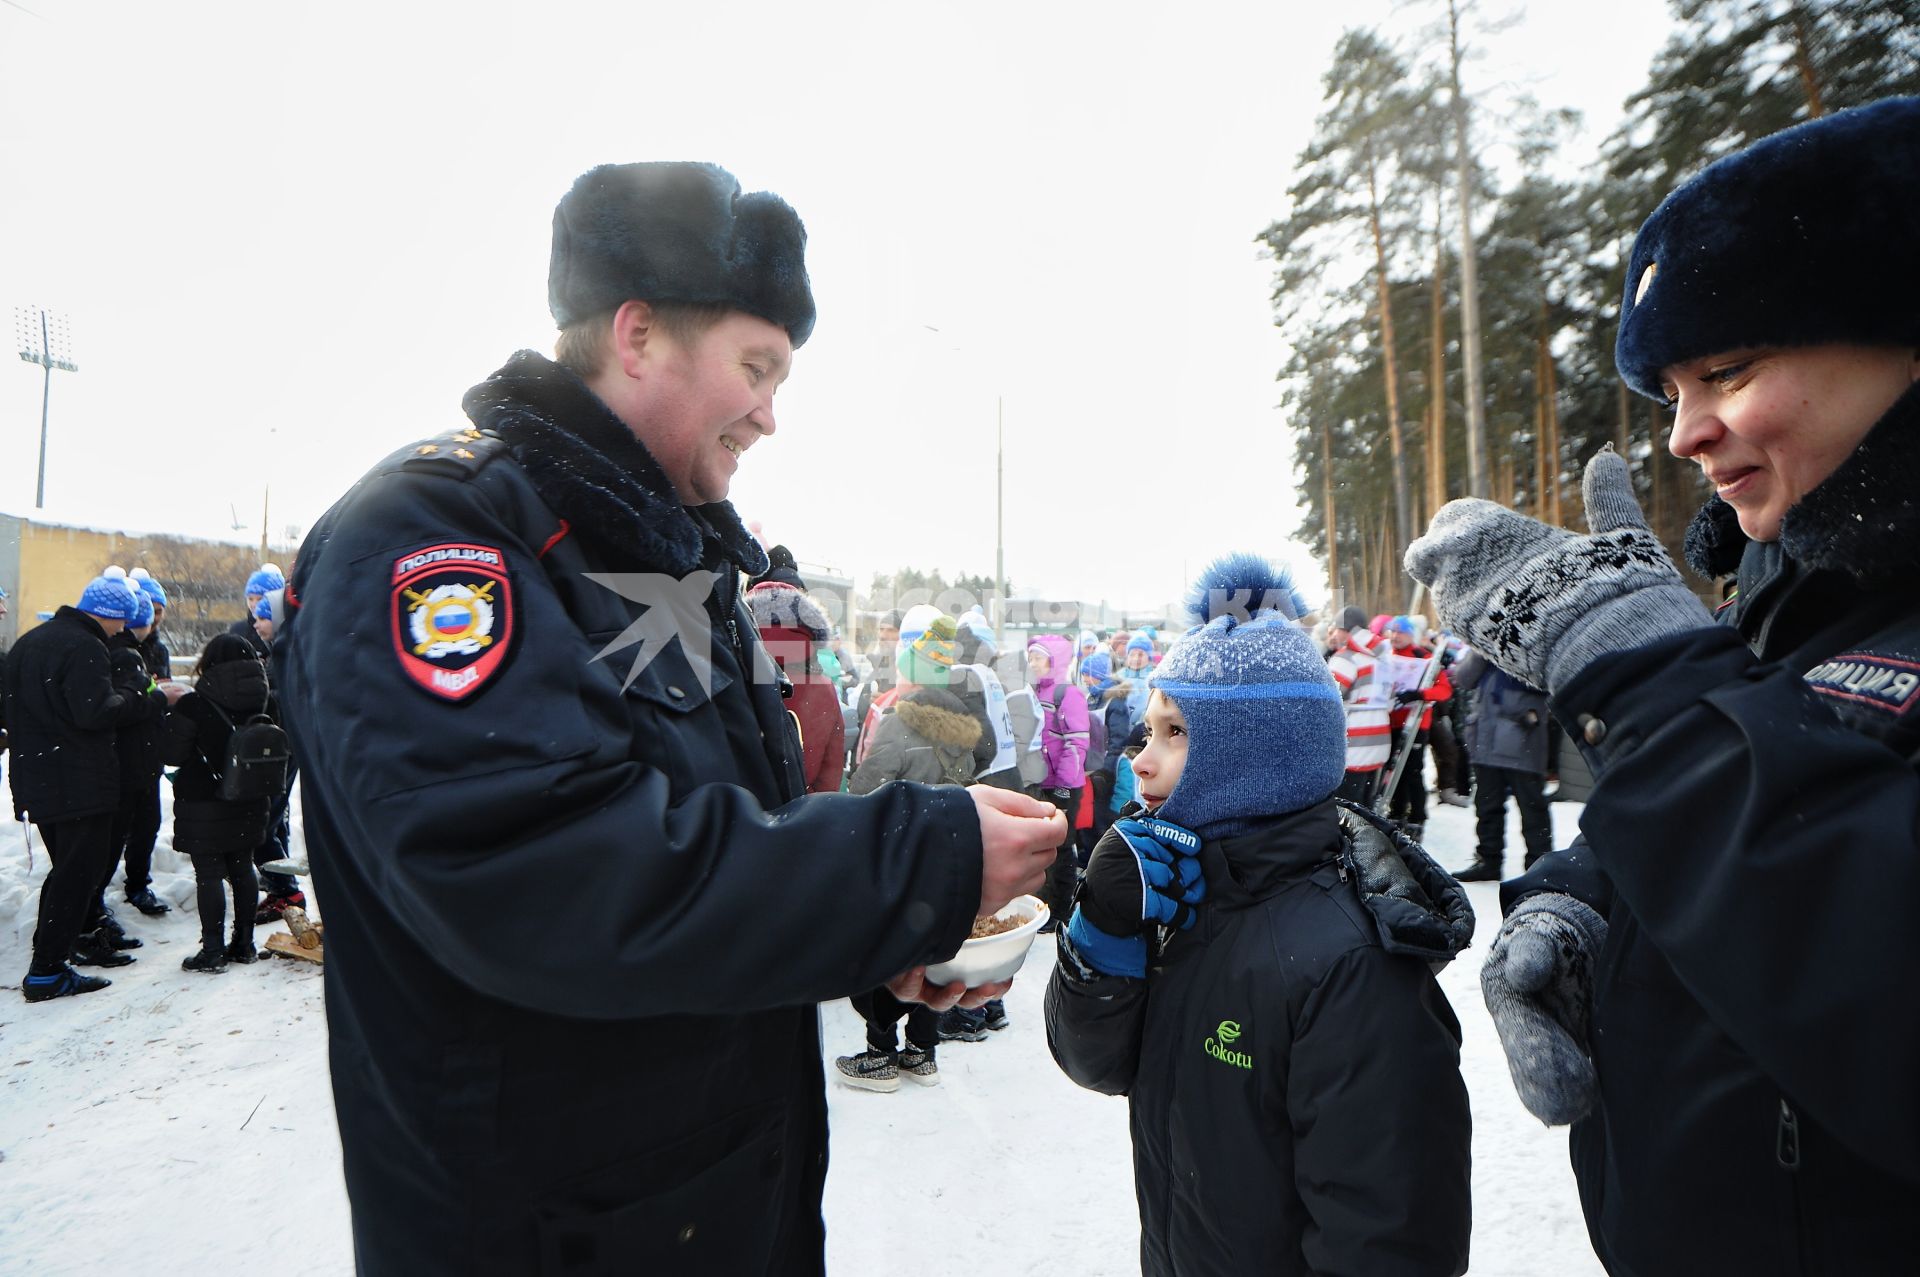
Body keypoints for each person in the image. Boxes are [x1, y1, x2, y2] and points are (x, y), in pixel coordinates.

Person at [271, 161, 1065, 1274]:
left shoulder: (670, 553)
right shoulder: (436, 535)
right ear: (638, 334)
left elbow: (725, 843)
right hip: (539, 1228)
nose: (772, 415)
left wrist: (877, 938)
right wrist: (912, 859)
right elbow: (538, 868)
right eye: (756, 367)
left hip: (712, 1206)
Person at [1406, 97, 1920, 1275]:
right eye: (1671, 392)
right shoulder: (1799, 595)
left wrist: (1641, 672)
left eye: (1726, 370)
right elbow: (1807, 801)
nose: (1686, 434)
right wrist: (1593, 901)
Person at [1045, 554, 1473, 1276]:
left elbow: (1390, 1242)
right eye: (1147, 731)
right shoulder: (1179, 896)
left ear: (1253, 755)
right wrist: (1105, 920)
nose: (1141, 761)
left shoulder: (1352, 965)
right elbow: (1096, 1062)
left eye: (1174, 732)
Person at [6, 569, 185, 1002]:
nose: (123, 629)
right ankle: (48, 969)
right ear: (110, 616)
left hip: (38, 777)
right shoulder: (86, 647)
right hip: (78, 784)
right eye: (122, 620)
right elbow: (96, 712)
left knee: (67, 870)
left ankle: (52, 956)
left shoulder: (30, 642)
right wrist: (156, 698)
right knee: (78, 874)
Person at [840, 617, 985, 1090]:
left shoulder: (900, 722)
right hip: (948, 861)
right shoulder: (964, 730)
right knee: (936, 954)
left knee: (881, 952)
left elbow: (866, 789)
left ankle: (880, 1053)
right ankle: (922, 1052)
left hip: (897, 858)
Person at [164, 634, 276, 972]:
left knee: (209, 873)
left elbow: (171, 753)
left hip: (203, 801)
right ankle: (244, 944)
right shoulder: (267, 702)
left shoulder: (194, 705)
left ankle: (212, 950)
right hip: (251, 798)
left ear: (208, 663)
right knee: (243, 869)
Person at [746, 546, 845, 795]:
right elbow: (831, 772)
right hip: (803, 818)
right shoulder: (823, 685)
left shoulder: (726, 670)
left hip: (738, 819)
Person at [1446, 649, 1551, 881]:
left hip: (1522, 739)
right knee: (1486, 804)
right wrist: (1480, 649)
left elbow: (1546, 680)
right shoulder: (1484, 649)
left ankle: (1540, 865)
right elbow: (1464, 679)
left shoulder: (1529, 642)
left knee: (1532, 806)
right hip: (1485, 738)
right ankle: (1488, 860)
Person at [107, 582, 172, 919]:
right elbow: (124, 707)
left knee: (146, 823)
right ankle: (96, 904)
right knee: (122, 827)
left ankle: (135, 883)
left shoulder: (151, 648)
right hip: (129, 756)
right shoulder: (120, 653)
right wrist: (158, 697)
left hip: (145, 753)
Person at [1026, 633, 1089, 927]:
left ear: (1054, 661)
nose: (1033, 663)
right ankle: (1045, 905)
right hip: (1042, 782)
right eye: (1031, 657)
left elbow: (1076, 743)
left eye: (1039, 657)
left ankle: (1061, 910)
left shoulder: (1068, 693)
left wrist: (1064, 784)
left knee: (1061, 847)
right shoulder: (1033, 692)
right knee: (1042, 847)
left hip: (1063, 785)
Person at [1378, 615, 1452, 838]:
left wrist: (1420, 694)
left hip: (1416, 723)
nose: (1395, 636)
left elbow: (1444, 690)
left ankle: (1417, 816)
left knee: (1412, 770)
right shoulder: (1384, 655)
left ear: (1411, 634)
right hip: (1389, 721)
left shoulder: (1423, 656)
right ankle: (1397, 810)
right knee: (1392, 769)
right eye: (1392, 631)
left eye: (1400, 632)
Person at [1323, 604, 1391, 808]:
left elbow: (1327, 698)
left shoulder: (1347, 657)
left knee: (1346, 812)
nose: (1333, 634)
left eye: (1334, 629)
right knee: (1365, 809)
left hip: (1354, 746)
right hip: (1378, 740)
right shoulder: (1381, 656)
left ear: (1345, 630)